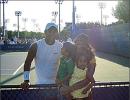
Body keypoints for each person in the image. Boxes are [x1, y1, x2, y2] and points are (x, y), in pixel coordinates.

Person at [21, 23, 62, 89]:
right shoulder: (35, 46)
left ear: (57, 33)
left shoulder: (61, 46)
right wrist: (26, 80)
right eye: (50, 31)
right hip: (40, 86)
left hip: (57, 86)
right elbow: (27, 63)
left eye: (54, 31)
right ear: (45, 32)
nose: (52, 33)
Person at [60, 33, 96, 100]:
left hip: (84, 95)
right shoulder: (72, 55)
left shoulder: (90, 57)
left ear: (86, 45)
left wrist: (69, 89)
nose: (79, 46)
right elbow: (64, 72)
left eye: (82, 44)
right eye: (78, 44)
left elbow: (89, 79)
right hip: (71, 94)